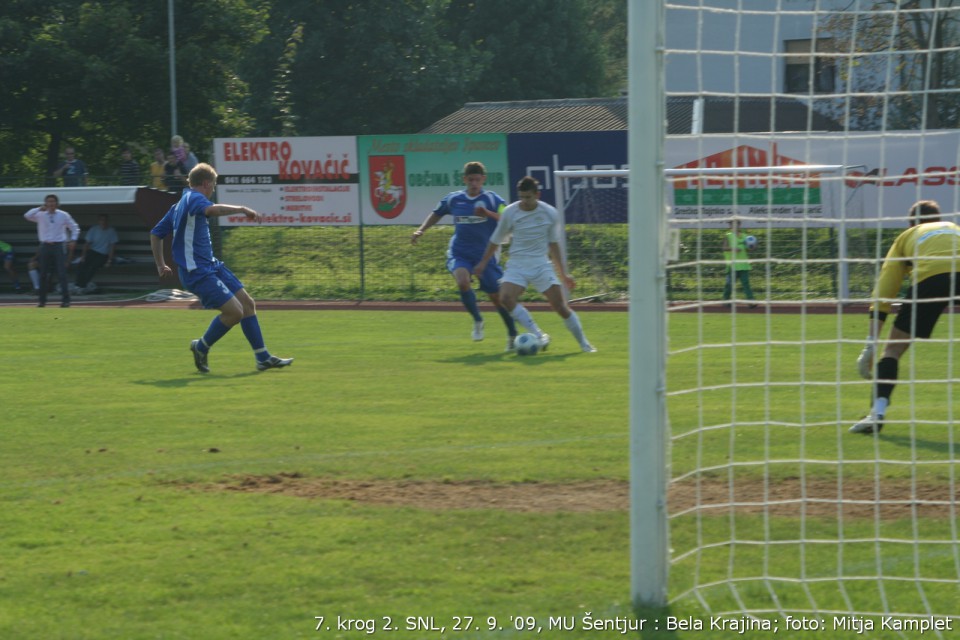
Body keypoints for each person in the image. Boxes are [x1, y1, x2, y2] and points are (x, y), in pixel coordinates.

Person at [150, 162, 293, 373]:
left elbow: (155, 233)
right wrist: (242, 209)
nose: (213, 190)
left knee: (247, 304)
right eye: (214, 186)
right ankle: (201, 346)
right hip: (196, 271)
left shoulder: (179, 204)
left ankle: (262, 357)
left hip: (211, 265)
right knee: (235, 312)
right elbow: (212, 209)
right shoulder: (194, 198)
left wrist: (161, 264)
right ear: (206, 183)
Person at [852, 200, 960, 434]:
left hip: (931, 279)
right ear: (939, 218)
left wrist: (870, 343)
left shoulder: (907, 236)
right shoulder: (955, 228)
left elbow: (885, 290)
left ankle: (876, 414)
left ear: (911, 223)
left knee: (892, 351)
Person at [473, 176, 596, 353]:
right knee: (505, 298)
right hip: (517, 264)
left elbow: (553, 244)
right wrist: (483, 263)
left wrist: (564, 274)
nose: (524, 201)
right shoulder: (510, 212)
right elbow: (495, 239)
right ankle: (539, 335)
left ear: (537, 194)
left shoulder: (550, 213)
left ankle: (584, 344)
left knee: (560, 306)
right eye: (521, 197)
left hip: (540, 264)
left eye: (528, 197)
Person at [411, 161, 520, 350]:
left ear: (483, 180)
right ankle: (478, 320)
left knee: (497, 298)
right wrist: (421, 230)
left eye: (477, 180)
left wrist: (487, 213)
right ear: (464, 179)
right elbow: (437, 213)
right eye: (470, 180)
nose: (474, 183)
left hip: (485, 255)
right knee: (462, 281)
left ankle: (512, 333)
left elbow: (508, 218)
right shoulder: (454, 199)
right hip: (460, 251)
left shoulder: (493, 200)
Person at [23, 194, 81, 307]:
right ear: (45, 203)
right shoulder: (40, 214)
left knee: (62, 273)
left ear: (57, 203)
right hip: (45, 245)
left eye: (53, 202)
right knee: (43, 273)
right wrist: (39, 208)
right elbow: (27, 215)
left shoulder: (63, 215)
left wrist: (73, 240)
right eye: (48, 202)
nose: (51, 204)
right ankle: (42, 301)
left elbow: (74, 227)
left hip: (59, 245)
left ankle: (66, 300)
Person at [74, 214, 118, 293]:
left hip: (103, 254)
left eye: (104, 220)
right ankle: (78, 285)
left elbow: (112, 247)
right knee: (81, 264)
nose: (103, 222)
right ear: (98, 221)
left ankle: (83, 286)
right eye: (101, 220)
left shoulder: (111, 231)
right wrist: (83, 256)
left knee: (93, 266)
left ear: (107, 221)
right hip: (93, 251)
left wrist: (109, 260)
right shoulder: (93, 229)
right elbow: (87, 243)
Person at [722, 218, 757, 306]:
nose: (731, 226)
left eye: (733, 224)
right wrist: (733, 249)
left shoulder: (746, 236)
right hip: (732, 265)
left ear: (739, 225)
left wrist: (752, 247)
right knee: (729, 285)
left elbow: (750, 249)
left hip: (743, 265)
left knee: (746, 284)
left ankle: (751, 302)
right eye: (730, 224)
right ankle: (726, 301)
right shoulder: (728, 235)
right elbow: (724, 248)